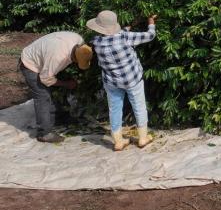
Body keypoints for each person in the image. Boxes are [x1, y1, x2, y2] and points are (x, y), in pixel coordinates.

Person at [88, 10, 157, 151]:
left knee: (114, 110)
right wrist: (151, 22)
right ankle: (143, 138)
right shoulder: (125, 37)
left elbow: (112, 37)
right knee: (139, 107)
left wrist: (127, 27)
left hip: (112, 82)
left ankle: (118, 141)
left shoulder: (96, 42)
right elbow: (150, 35)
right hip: (132, 79)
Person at [18, 31, 93, 143]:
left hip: (45, 58)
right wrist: (66, 84)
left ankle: (61, 117)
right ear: (74, 57)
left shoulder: (79, 41)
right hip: (30, 64)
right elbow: (45, 79)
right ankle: (44, 133)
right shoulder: (58, 58)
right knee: (43, 96)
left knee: (56, 89)